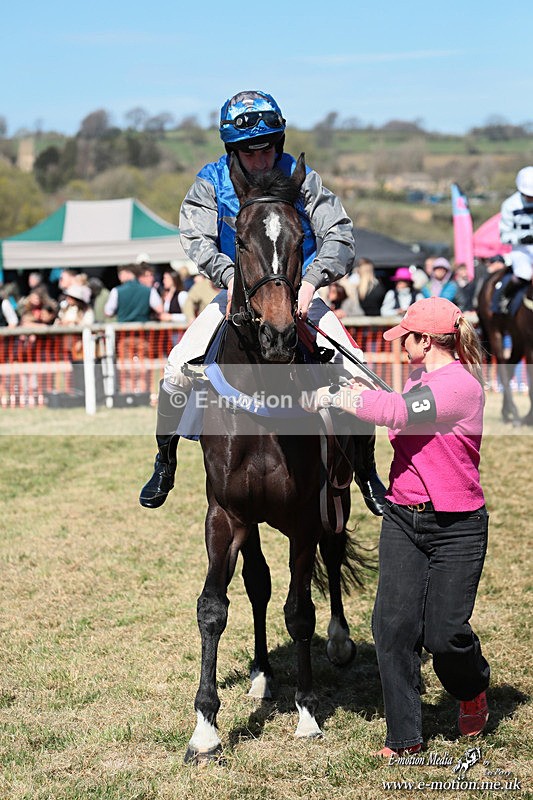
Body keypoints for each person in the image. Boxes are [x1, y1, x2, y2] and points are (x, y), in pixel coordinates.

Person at [139, 89, 386, 514]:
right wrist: (229, 276)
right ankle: (165, 461)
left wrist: (310, 282)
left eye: (269, 147)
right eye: (251, 152)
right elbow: (194, 237)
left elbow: (341, 234)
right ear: (233, 150)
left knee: (357, 369)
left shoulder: (303, 178)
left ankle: (367, 472)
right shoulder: (209, 182)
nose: (262, 159)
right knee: (178, 365)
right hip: (237, 291)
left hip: (301, 293)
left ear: (280, 143)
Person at [312, 297, 490, 756]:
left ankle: (472, 688)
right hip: (403, 517)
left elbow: (400, 413)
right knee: (391, 627)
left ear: (426, 340)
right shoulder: (420, 378)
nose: (400, 343)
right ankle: (405, 738)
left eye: (405, 336)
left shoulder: (459, 385)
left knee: (444, 636)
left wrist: (341, 395)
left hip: (457, 525)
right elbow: (395, 402)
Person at [495, 166, 533, 313]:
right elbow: (504, 236)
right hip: (521, 249)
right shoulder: (510, 205)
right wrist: (522, 239)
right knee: (523, 274)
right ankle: (505, 297)